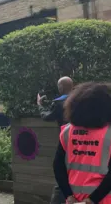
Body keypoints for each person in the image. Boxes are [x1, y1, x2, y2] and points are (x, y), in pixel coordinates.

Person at [54, 82, 111, 204]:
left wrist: (68, 195)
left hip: (75, 199)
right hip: (109, 200)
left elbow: (58, 166)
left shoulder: (67, 131)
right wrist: (91, 200)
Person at [38, 76, 73, 204]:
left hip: (65, 142)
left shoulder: (59, 103)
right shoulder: (80, 100)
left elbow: (46, 116)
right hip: (82, 141)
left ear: (60, 88)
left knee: (60, 170)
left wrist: (40, 105)